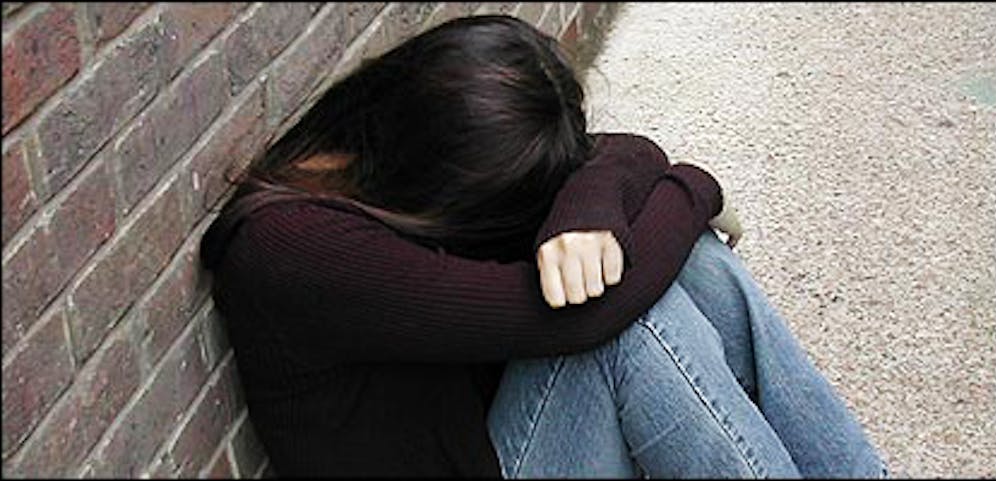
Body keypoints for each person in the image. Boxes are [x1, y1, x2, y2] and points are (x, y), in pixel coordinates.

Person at [199, 14, 887, 478]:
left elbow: (612, 153)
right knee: (627, 321)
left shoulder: (392, 160)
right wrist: (695, 187)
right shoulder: (292, 249)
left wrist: (586, 211)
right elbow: (587, 317)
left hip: (492, 443)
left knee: (688, 262)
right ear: (446, 179)